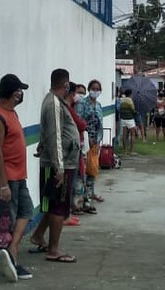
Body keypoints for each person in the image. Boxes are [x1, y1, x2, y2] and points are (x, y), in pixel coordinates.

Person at [0, 73, 35, 282]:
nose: (21, 94)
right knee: (8, 221)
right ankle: (11, 260)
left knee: (27, 211)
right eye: (20, 90)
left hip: (18, 176)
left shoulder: (11, 113)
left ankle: (12, 249)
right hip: (4, 179)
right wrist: (3, 185)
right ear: (14, 93)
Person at [28, 69, 79, 264]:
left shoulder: (54, 102)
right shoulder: (54, 104)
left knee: (54, 204)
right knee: (59, 207)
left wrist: (41, 146)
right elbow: (55, 135)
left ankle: (39, 235)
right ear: (65, 85)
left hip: (63, 161)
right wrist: (59, 167)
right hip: (61, 164)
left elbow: (49, 132)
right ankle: (54, 250)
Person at [63, 82, 88, 225]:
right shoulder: (68, 109)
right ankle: (66, 213)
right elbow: (81, 124)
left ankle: (68, 212)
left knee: (77, 178)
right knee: (69, 183)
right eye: (77, 93)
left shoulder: (71, 108)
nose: (78, 96)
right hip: (70, 152)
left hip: (77, 147)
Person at [77, 79, 105, 207]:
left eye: (97, 89)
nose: (95, 91)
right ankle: (83, 196)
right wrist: (86, 137)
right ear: (89, 90)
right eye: (93, 89)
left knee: (93, 168)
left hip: (95, 142)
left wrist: (98, 140)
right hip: (85, 141)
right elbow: (79, 120)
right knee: (83, 169)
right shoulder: (83, 103)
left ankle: (91, 192)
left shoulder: (98, 106)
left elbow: (100, 125)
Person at [118, 89, 136, 157]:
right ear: (130, 94)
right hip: (130, 119)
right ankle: (131, 151)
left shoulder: (122, 100)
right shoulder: (130, 100)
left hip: (123, 119)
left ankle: (125, 151)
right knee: (132, 134)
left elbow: (119, 108)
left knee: (124, 135)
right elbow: (133, 109)